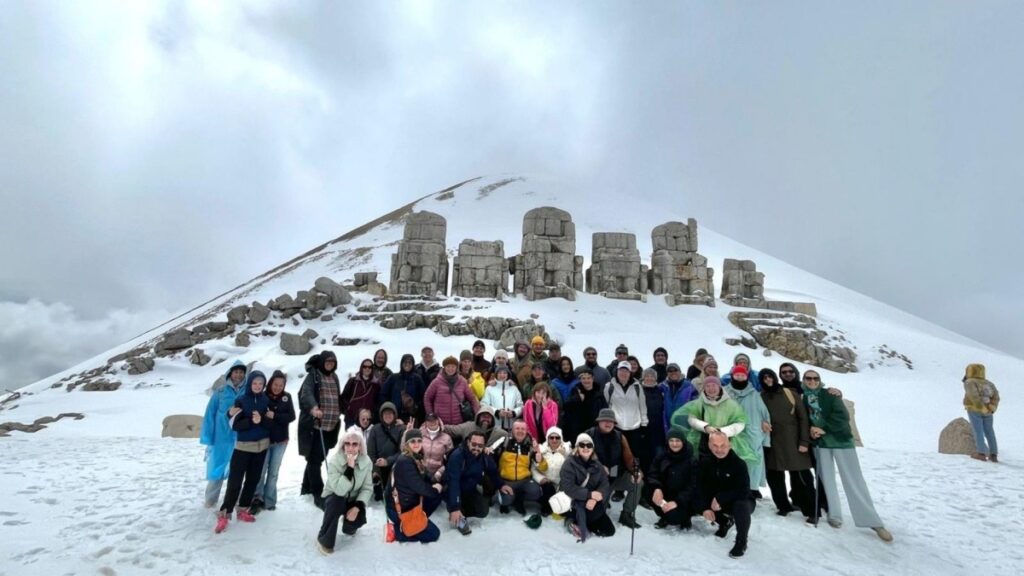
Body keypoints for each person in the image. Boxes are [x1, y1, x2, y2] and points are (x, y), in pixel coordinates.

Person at [803, 370, 893, 542]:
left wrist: (824, 429)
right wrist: (811, 431)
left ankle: (872, 521)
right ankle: (835, 515)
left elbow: (842, 416)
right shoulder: (803, 398)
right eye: (809, 378)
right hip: (820, 444)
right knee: (826, 479)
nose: (812, 381)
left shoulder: (830, 394)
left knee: (853, 479)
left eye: (815, 378)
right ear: (804, 380)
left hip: (840, 440)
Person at [215, 370, 270, 533]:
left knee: (253, 480)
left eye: (261, 383)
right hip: (243, 447)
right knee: (235, 481)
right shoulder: (241, 400)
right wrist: (251, 422)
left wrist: (263, 420)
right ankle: (225, 514)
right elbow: (234, 424)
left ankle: (243, 510)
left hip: (261, 447)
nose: (258, 386)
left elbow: (270, 424)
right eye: (255, 383)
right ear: (250, 383)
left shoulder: (266, 400)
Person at [759, 367, 816, 518]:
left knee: (802, 476)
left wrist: (804, 441)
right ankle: (783, 506)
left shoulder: (789, 393)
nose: (768, 380)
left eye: (770, 376)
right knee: (775, 477)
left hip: (793, 440)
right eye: (764, 378)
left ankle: (811, 510)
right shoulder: (761, 397)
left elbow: (803, 418)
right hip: (772, 442)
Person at [671, 376, 756, 466]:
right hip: (704, 443)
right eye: (708, 386)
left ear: (719, 387)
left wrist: (723, 431)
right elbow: (692, 419)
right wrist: (705, 427)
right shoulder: (699, 403)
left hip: (726, 442)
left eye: (714, 385)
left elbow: (740, 422)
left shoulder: (731, 404)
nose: (711, 389)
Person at [699, 432, 755, 558]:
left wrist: (720, 498)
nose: (719, 450)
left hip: (738, 500)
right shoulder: (705, 462)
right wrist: (704, 508)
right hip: (715, 501)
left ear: (729, 445)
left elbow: (744, 490)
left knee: (741, 506)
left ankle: (741, 541)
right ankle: (725, 522)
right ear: (709, 446)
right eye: (715, 446)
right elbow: (699, 487)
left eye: (723, 445)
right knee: (695, 499)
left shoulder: (739, 464)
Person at [316, 429, 372, 554]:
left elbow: (367, 488)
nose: (350, 447)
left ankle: (349, 525)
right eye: (347, 443)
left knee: (351, 527)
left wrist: (357, 507)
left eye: (355, 444)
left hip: (353, 499)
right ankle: (324, 539)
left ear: (360, 446)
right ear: (343, 445)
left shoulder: (366, 461)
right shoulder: (335, 461)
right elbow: (339, 491)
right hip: (333, 498)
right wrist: (350, 468)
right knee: (336, 502)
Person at [445, 430, 511, 535]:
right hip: (454, 490)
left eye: (480, 445)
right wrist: (455, 507)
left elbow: (493, 471)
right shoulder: (457, 456)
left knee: (483, 511)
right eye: (474, 444)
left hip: (470, 489)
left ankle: (463, 510)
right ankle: (455, 511)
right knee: (455, 505)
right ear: (468, 442)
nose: (476, 448)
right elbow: (453, 483)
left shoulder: (484, 456)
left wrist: (501, 485)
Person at [200, 360, 247, 508]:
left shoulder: (248, 391)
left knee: (238, 470)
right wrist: (208, 437)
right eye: (236, 372)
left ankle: (236, 499)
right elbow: (210, 414)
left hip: (240, 437)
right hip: (221, 437)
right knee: (217, 469)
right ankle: (210, 500)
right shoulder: (220, 392)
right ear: (230, 373)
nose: (238, 375)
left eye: (241, 372)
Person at [298, 351, 342, 508]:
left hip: (331, 426)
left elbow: (337, 396)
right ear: (322, 362)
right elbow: (306, 393)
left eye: (333, 362)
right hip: (317, 425)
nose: (330, 364)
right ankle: (318, 493)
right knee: (315, 460)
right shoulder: (314, 375)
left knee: (316, 458)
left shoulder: (334, 376)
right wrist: (314, 407)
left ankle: (306, 487)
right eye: (328, 361)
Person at [385, 429, 444, 543]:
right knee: (433, 534)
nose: (416, 444)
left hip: (409, 502)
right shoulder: (405, 461)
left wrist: (435, 482)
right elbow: (418, 486)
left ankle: (418, 521)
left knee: (436, 495)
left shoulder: (415, 457)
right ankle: (400, 531)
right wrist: (435, 490)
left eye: (419, 441)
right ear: (407, 444)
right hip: (400, 510)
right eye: (413, 442)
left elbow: (425, 476)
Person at [586, 409, 642, 528]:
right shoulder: (589, 435)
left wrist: (636, 471)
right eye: (605, 420)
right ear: (599, 421)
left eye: (611, 421)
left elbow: (629, 458)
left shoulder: (620, 436)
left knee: (638, 483)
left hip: (616, 476)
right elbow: (580, 459)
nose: (608, 423)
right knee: (596, 515)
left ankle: (627, 514)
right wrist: (598, 466)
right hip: (597, 482)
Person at [723, 366, 771, 499]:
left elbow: (765, 416)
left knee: (750, 466)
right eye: (737, 375)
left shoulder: (754, 394)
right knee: (731, 464)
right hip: (731, 435)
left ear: (746, 377)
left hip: (751, 436)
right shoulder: (724, 392)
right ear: (732, 376)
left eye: (742, 375)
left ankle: (748, 493)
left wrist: (766, 440)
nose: (739, 378)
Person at [605, 361, 649, 504]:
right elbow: (607, 406)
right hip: (616, 428)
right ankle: (617, 489)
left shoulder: (637, 387)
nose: (623, 373)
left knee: (635, 459)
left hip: (634, 428)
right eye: (621, 370)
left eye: (626, 371)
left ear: (631, 373)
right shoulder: (609, 387)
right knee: (617, 458)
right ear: (616, 371)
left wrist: (644, 424)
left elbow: (642, 406)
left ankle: (636, 488)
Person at [252, 369, 294, 513]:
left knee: (273, 472)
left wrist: (275, 415)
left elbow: (291, 416)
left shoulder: (287, 398)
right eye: (275, 384)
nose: (278, 387)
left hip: (281, 441)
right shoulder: (263, 397)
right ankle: (257, 498)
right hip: (265, 440)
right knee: (261, 470)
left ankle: (269, 500)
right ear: (270, 383)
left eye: (281, 385)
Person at [560, 432, 615, 541]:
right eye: (582, 445)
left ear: (593, 448)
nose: (586, 448)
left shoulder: (597, 464)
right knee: (594, 512)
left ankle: (583, 523)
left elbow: (605, 484)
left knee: (609, 531)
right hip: (574, 501)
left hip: (591, 501)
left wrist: (595, 498)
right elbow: (568, 487)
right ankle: (572, 520)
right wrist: (589, 495)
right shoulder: (569, 464)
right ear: (577, 447)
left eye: (589, 445)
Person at [495, 420, 545, 527]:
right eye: (517, 428)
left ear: (527, 431)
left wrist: (540, 459)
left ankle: (519, 499)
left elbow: (543, 467)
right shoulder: (504, 441)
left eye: (523, 429)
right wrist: (498, 482)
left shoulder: (531, 445)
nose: (520, 431)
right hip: (506, 481)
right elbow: (490, 453)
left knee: (536, 492)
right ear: (512, 430)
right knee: (505, 501)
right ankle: (508, 498)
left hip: (524, 480)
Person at [648, 428, 698, 529]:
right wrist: (657, 488)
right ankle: (663, 516)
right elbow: (653, 474)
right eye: (671, 440)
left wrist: (677, 501)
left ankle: (685, 517)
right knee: (648, 491)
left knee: (674, 518)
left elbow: (693, 485)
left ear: (683, 441)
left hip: (683, 498)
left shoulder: (692, 460)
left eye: (677, 441)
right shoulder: (661, 456)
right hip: (666, 493)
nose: (674, 444)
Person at [424, 356, 479, 426]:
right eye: (448, 366)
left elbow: (472, 398)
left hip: (459, 425)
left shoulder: (462, 381)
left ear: (456, 368)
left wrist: (477, 413)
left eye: (453, 366)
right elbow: (427, 397)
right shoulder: (436, 382)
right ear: (444, 367)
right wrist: (430, 414)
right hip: (441, 423)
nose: (450, 369)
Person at [367, 402, 405, 502]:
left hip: (394, 465)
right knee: (379, 495)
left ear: (395, 414)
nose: (387, 416)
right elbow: (370, 452)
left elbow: (403, 452)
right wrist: (375, 469)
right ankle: (378, 483)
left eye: (390, 413)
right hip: (378, 465)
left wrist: (387, 461)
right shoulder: (375, 429)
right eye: (385, 414)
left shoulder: (401, 429)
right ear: (381, 415)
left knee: (393, 493)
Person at [963, 363, 999, 462]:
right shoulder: (989, 383)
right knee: (989, 431)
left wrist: (980, 407)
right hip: (988, 410)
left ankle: (981, 453)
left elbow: (973, 396)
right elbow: (996, 397)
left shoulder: (969, 382)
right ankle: (993, 454)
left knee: (977, 430)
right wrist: (992, 408)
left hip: (975, 409)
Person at [562, 368, 608, 446]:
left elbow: (605, 411)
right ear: (580, 380)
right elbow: (565, 406)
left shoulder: (599, 394)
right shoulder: (575, 391)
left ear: (593, 379)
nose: (586, 381)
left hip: (594, 430)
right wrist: (576, 399)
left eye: (588, 378)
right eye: (583, 378)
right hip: (577, 431)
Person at [533, 426, 572, 516]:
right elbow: (533, 468)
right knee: (547, 488)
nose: (554, 440)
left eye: (557, 437)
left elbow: (573, 468)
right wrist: (541, 479)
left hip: (561, 485)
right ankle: (546, 506)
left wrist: (565, 455)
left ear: (561, 439)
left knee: (564, 510)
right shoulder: (541, 450)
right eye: (551, 437)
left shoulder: (567, 451)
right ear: (547, 439)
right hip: (546, 484)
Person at [380, 354, 426, 424]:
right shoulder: (393, 378)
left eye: (410, 363)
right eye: (405, 362)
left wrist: (417, 407)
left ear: (413, 364)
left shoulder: (417, 379)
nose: (407, 364)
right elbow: (383, 394)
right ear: (401, 363)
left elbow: (424, 396)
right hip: (394, 415)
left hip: (412, 416)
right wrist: (388, 407)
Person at [641, 368, 668, 476]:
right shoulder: (639, 390)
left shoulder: (661, 390)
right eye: (647, 376)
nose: (649, 378)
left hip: (659, 430)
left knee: (659, 457)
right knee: (645, 458)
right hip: (644, 430)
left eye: (652, 376)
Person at [341, 359, 381, 430]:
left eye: (370, 367)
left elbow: (378, 402)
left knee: (366, 441)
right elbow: (344, 397)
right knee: (351, 440)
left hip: (367, 420)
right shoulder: (353, 381)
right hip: (352, 419)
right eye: (365, 367)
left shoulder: (376, 385)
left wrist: (373, 414)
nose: (367, 369)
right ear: (361, 368)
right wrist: (348, 410)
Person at [481, 365, 523, 431]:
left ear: (508, 375)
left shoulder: (514, 389)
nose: (502, 375)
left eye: (504, 373)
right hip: (494, 425)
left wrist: (514, 413)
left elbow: (520, 406)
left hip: (510, 425)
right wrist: (496, 412)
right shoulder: (490, 388)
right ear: (496, 374)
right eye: (500, 373)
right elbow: (484, 404)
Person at [420, 413, 454, 482]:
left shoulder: (446, 438)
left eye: (434, 420)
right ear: (426, 423)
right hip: (421, 472)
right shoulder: (420, 434)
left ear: (438, 421)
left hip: (438, 474)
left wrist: (439, 473)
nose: (432, 422)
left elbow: (451, 459)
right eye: (429, 420)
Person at [661, 363, 690, 435]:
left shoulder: (689, 386)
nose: (673, 372)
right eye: (670, 371)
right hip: (668, 424)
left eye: (675, 370)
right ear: (667, 373)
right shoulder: (662, 386)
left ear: (680, 372)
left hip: (684, 425)